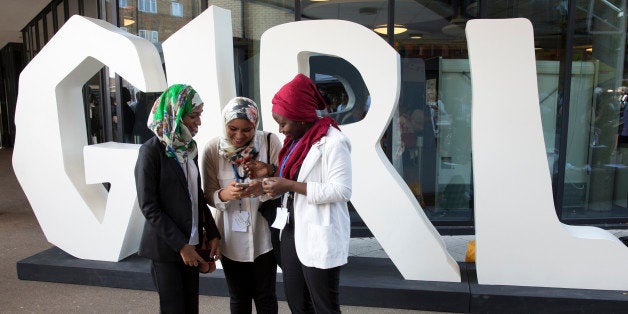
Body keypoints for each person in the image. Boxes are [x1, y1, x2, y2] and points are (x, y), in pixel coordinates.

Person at [261, 74, 352, 313]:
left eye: (283, 123)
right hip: (292, 229)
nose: (280, 130)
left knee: (325, 306)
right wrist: (270, 176)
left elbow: (341, 190)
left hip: (318, 231)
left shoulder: (333, 142)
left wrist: (288, 186)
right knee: (297, 302)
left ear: (301, 117)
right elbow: (298, 177)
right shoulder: (296, 142)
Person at [134, 84, 221, 313]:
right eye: (193, 116)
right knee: (174, 308)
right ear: (176, 114)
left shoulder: (189, 149)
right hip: (167, 248)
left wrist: (212, 234)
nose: (198, 122)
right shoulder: (151, 152)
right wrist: (181, 246)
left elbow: (197, 197)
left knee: (191, 308)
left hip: (191, 244)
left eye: (199, 115)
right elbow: (149, 207)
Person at [201, 97, 281, 314]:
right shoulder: (211, 150)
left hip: (263, 233)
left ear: (255, 125)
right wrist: (225, 194)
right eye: (232, 128)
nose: (239, 136)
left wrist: (262, 186)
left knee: (266, 296)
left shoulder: (269, 142)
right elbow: (207, 194)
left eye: (247, 130)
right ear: (224, 123)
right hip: (229, 236)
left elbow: (284, 183)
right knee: (238, 297)